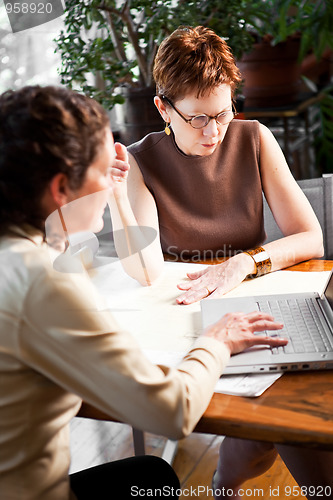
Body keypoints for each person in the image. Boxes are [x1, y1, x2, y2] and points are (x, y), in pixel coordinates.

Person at [0, 85, 287, 500]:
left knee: (151, 476)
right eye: (104, 168)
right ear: (61, 188)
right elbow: (172, 411)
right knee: (154, 482)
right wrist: (217, 340)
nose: (117, 173)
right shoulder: (42, 284)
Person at [109, 25, 332, 499]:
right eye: (196, 118)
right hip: (183, 322)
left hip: (251, 302)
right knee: (284, 427)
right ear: (163, 108)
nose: (212, 132)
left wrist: (242, 263)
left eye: (222, 112)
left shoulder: (252, 137)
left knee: (272, 425)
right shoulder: (142, 161)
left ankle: (223, 486)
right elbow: (146, 269)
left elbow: (309, 237)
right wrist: (115, 195)